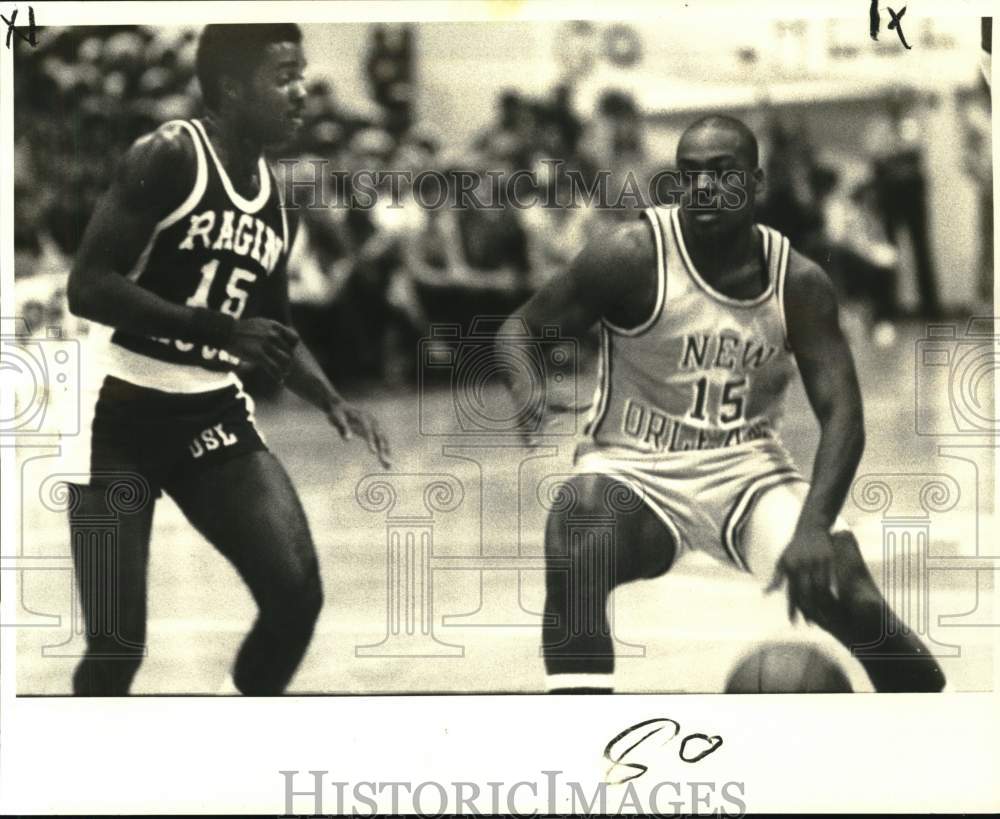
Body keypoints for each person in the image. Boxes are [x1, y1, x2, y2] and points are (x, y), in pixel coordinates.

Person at [498, 114, 945, 694]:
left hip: (746, 472)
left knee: (847, 591)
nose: (703, 188)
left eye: (722, 174)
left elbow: (843, 414)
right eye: (690, 175)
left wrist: (812, 527)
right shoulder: (631, 255)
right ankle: (583, 728)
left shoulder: (797, 282)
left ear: (755, 184)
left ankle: (943, 719)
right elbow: (519, 328)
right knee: (580, 519)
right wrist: (527, 387)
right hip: (635, 470)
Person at [64, 24, 391, 696]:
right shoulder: (168, 155)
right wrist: (215, 327)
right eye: (284, 76)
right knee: (117, 645)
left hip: (207, 411)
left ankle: (234, 727)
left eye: (302, 73)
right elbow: (88, 286)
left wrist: (332, 398)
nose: (302, 91)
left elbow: (273, 330)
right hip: (113, 410)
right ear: (232, 88)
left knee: (296, 596)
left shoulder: (277, 200)